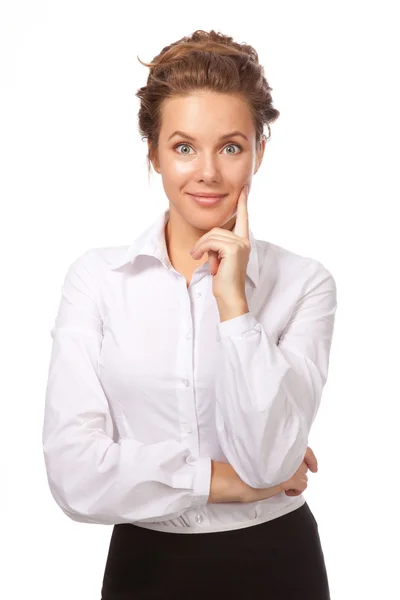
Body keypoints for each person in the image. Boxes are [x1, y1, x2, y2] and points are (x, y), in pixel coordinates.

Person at [42, 29, 337, 599]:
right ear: (152, 152)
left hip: (277, 565)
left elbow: (271, 457)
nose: (207, 171)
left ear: (259, 151)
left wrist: (234, 306)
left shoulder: (304, 284)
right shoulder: (97, 281)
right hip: (147, 566)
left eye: (230, 146)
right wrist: (228, 482)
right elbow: (73, 473)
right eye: (183, 147)